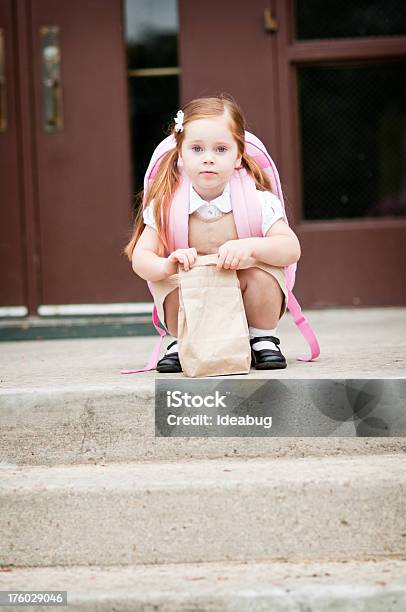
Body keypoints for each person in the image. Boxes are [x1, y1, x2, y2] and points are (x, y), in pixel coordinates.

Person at [124, 95, 301, 373]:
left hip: (242, 293)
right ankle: (179, 339)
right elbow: (140, 257)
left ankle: (261, 336)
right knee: (169, 281)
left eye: (220, 149)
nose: (208, 159)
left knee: (262, 274)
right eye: (196, 149)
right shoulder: (165, 205)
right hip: (192, 302)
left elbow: (291, 248)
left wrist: (252, 248)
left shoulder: (257, 201)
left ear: (239, 155)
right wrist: (166, 264)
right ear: (180, 154)